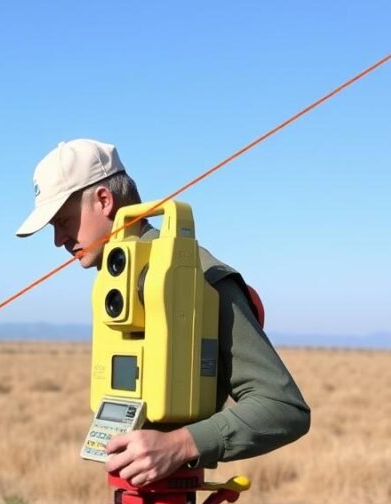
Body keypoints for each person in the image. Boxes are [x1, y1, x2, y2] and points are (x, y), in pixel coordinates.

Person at [17, 139, 310, 486]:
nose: (58, 240)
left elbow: (284, 407)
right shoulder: (112, 281)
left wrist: (180, 444)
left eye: (63, 221)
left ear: (103, 200)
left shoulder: (198, 275)